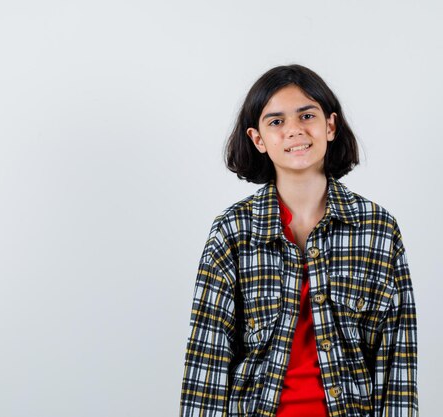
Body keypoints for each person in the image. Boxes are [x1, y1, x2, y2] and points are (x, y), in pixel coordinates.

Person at [179, 64, 418, 417]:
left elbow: (397, 357)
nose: (294, 130)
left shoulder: (377, 228)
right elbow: (208, 356)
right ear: (257, 139)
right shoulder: (233, 231)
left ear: (330, 126)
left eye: (307, 115)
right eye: (276, 121)